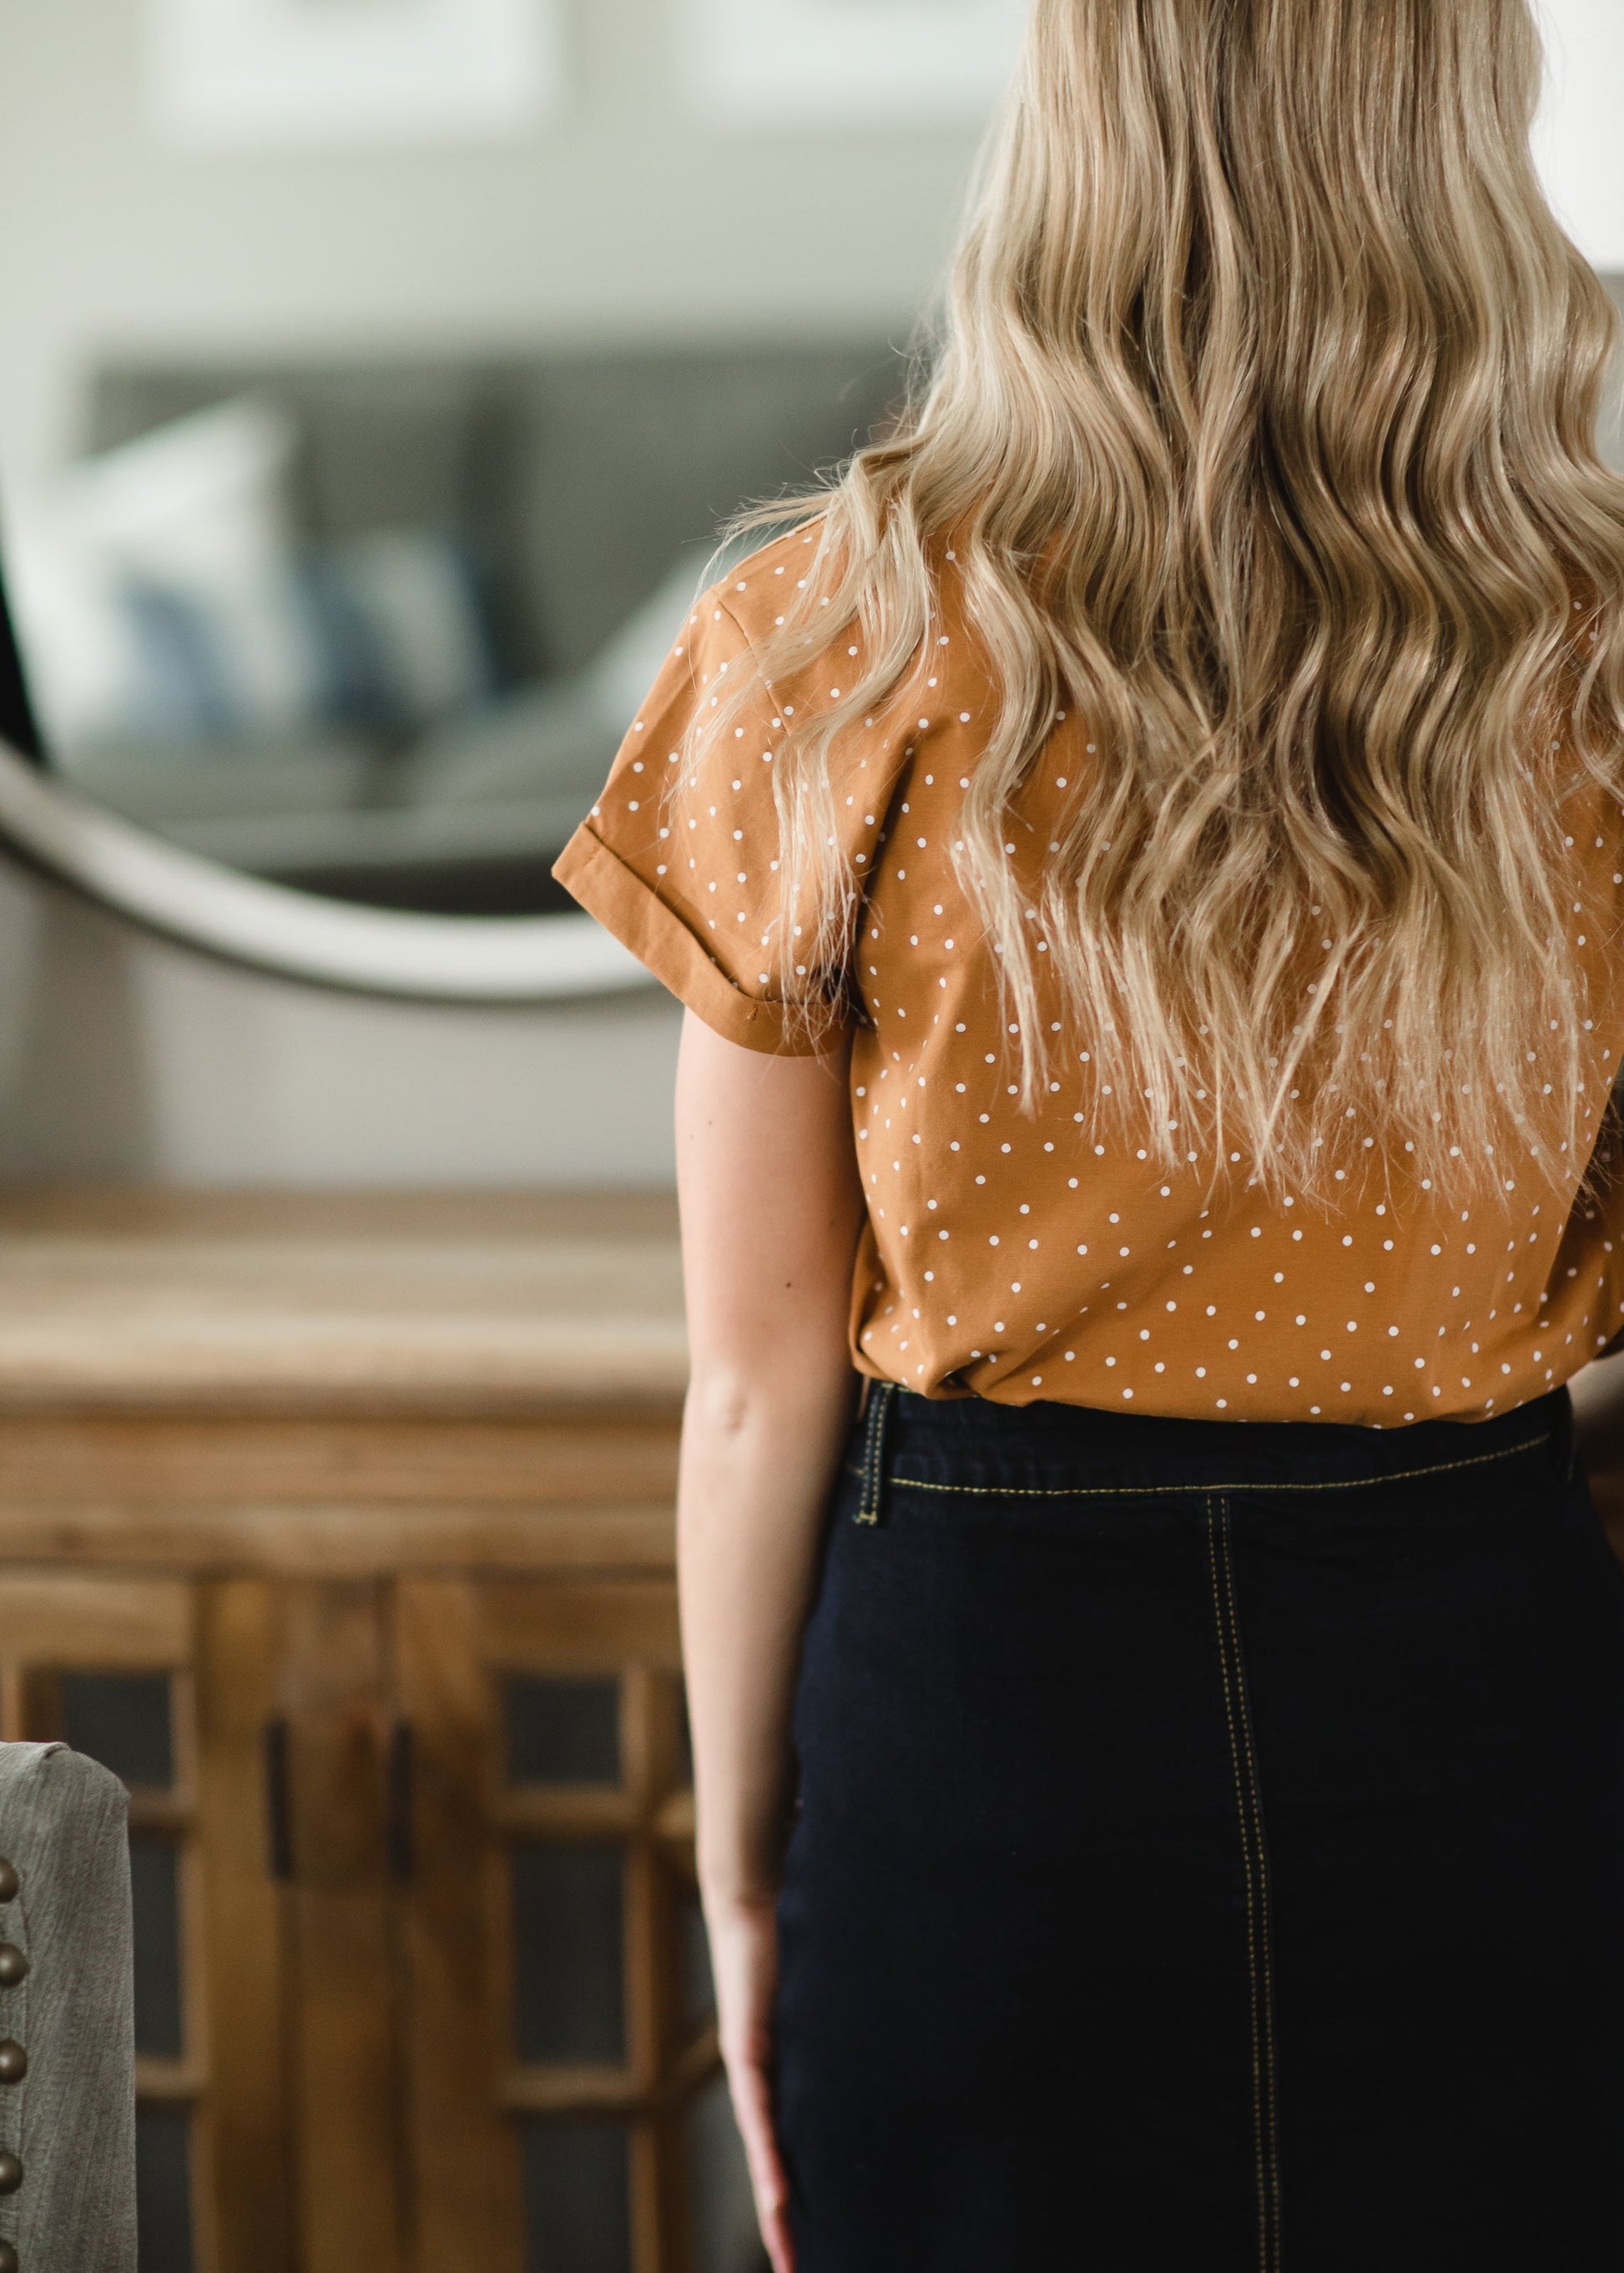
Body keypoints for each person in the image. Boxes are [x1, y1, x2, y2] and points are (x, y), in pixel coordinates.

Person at [553, 3, 1624, 2265]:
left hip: (976, 1739)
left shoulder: (821, 640)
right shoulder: (1599, 658)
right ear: (1462, 110)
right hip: (1484, 1710)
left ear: (1068, 121)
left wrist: (742, 1871)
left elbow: (752, 1384)